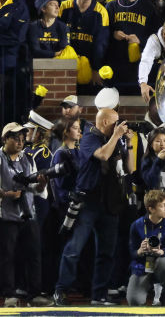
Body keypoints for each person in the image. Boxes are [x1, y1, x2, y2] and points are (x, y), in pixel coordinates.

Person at [53, 108, 133, 307]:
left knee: (106, 252)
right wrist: (116, 136)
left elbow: (130, 168)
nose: (119, 125)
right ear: (105, 122)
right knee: (74, 249)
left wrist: (129, 144)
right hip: (88, 201)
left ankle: (99, 295)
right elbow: (103, 155)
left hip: (110, 203)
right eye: (115, 122)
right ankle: (61, 291)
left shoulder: (116, 140)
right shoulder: (90, 137)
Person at [0, 122, 51, 308]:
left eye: (22, 138)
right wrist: (6, 194)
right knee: (7, 256)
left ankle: (34, 294)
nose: (20, 142)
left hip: (28, 214)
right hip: (6, 216)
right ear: (5, 139)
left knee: (34, 255)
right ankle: (9, 294)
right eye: (15, 138)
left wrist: (42, 185)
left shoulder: (28, 159)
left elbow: (36, 189)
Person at [126, 190, 165, 307]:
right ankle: (147, 290)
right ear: (151, 209)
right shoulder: (137, 225)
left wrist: (161, 251)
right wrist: (140, 251)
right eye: (163, 206)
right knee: (134, 301)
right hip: (143, 265)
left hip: (161, 263)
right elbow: (132, 252)